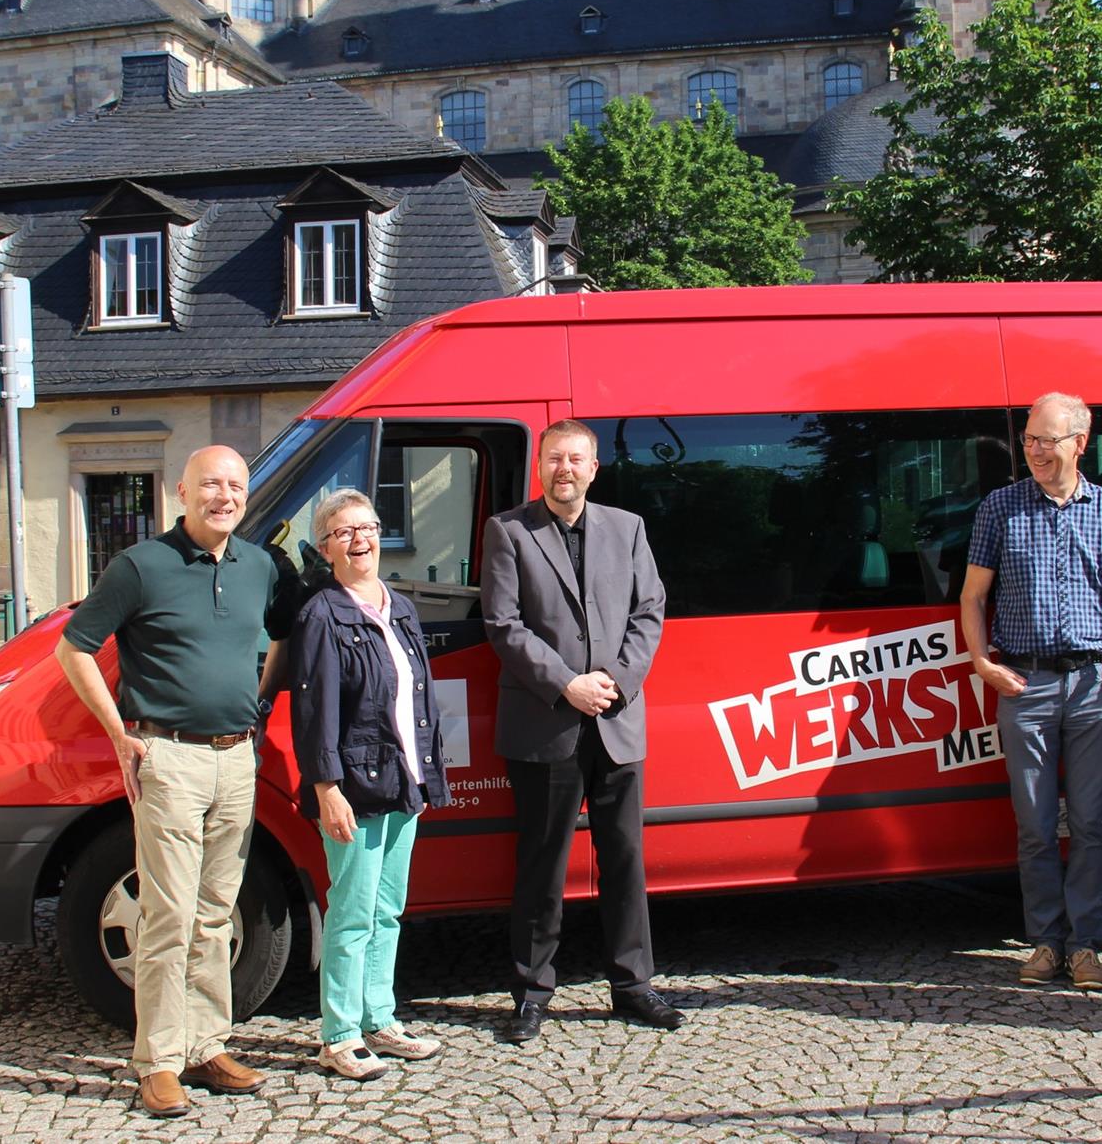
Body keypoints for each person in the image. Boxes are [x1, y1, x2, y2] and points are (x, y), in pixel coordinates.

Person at [55, 445, 294, 1117]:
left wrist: (261, 700)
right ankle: (157, 1060)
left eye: (236, 485)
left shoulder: (259, 567)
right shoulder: (142, 566)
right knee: (169, 913)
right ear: (182, 489)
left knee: (217, 912)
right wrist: (116, 731)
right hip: (170, 758)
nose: (224, 495)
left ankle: (207, 1043)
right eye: (211, 483)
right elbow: (73, 646)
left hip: (236, 759)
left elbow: (284, 634)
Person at [480, 418, 677, 1043]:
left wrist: (614, 679)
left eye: (576, 459)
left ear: (594, 468)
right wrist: (567, 682)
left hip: (616, 719)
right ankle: (532, 992)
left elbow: (650, 611)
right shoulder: (508, 531)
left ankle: (633, 986)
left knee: (625, 860)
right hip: (546, 721)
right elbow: (503, 623)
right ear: (540, 467)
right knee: (542, 865)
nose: (564, 469)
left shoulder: (629, 528)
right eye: (554, 459)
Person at [961, 392, 1102, 992]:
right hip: (1026, 683)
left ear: (1080, 443)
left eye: (1049, 440)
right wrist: (983, 662)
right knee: (1035, 825)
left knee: (1091, 823)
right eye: (1030, 440)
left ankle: (1085, 944)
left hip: (1094, 683)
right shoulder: (999, 507)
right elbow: (972, 597)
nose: (1036, 451)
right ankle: (1044, 941)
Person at [290, 490, 451, 1080]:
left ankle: (379, 1019)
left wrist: (428, 772)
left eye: (369, 527)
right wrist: (326, 787)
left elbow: (421, 700)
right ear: (327, 547)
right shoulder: (321, 614)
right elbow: (315, 712)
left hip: (404, 778)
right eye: (344, 531)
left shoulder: (400, 607)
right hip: (354, 785)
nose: (360, 538)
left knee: (388, 910)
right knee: (352, 912)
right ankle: (339, 1034)